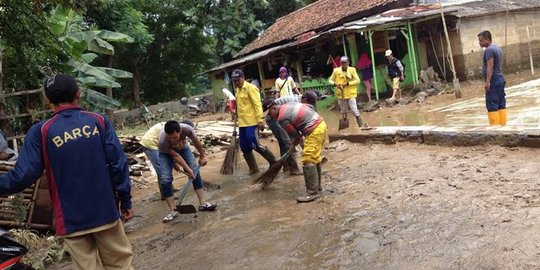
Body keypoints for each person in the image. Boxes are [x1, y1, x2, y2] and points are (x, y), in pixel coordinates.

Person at [0, 74, 134, 269]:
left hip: (71, 219)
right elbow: (118, 164)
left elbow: (23, 175)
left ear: (47, 101)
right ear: (78, 93)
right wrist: (125, 200)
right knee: (120, 264)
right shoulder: (98, 121)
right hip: (105, 211)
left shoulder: (41, 131)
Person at [264, 100, 327, 203]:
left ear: (274, 108)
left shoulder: (281, 118)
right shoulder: (287, 105)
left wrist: (294, 141)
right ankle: (317, 187)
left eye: (269, 114)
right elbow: (309, 107)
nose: (270, 117)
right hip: (321, 124)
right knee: (314, 157)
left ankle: (312, 193)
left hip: (314, 129)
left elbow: (295, 134)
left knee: (308, 159)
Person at [158, 120, 216, 222]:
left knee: (195, 171)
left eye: (175, 137)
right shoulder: (162, 140)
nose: (172, 140)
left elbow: (196, 141)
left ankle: (203, 203)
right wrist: (184, 168)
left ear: (180, 131)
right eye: (170, 138)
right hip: (166, 153)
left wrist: (202, 156)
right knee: (165, 178)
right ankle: (173, 210)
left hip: (183, 147)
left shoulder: (187, 129)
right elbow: (175, 155)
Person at [231, 69, 277, 175]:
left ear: (243, 77)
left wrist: (260, 120)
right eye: (234, 81)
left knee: (254, 143)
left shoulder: (251, 88)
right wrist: (235, 112)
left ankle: (273, 161)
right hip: (242, 123)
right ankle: (253, 168)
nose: (236, 83)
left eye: (238, 80)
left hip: (252, 122)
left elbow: (257, 105)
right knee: (244, 146)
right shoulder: (237, 90)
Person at [264, 91, 318, 175]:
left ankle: (286, 166)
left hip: (276, 114)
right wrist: (298, 140)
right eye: (309, 103)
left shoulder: (300, 102)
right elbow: (295, 132)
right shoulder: (296, 103)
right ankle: (293, 169)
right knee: (287, 142)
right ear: (305, 100)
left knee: (284, 142)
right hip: (272, 117)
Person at [329, 56, 369, 128]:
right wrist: (335, 84)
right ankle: (345, 127)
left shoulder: (352, 70)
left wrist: (348, 83)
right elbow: (330, 80)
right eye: (342, 63)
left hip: (351, 94)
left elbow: (358, 80)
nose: (343, 64)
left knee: (354, 110)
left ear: (348, 63)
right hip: (341, 95)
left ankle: (361, 126)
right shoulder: (336, 71)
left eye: (345, 62)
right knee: (343, 111)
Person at [478, 30, 507, 125]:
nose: (480, 43)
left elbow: (490, 67)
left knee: (492, 104)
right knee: (501, 104)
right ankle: (503, 127)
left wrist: (487, 82)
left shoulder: (489, 50)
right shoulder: (497, 48)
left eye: (481, 40)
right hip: (500, 79)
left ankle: (495, 132)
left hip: (493, 81)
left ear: (487, 39)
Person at [140, 122, 166, 200]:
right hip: (149, 145)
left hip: (153, 143)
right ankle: (166, 194)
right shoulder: (167, 131)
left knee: (163, 167)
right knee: (161, 169)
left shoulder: (170, 127)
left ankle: (169, 189)